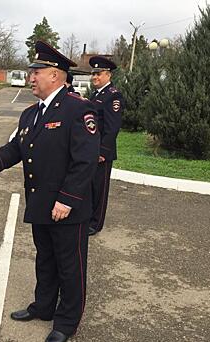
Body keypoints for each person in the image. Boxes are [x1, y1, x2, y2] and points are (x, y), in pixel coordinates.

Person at [0, 41, 99, 342]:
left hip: (66, 207)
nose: (31, 77)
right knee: (45, 259)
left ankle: (67, 321)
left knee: (70, 265)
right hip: (40, 203)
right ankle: (43, 306)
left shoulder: (78, 109)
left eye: (37, 71)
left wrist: (68, 200)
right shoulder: (31, 113)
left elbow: (85, 160)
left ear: (56, 76)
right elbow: (17, 148)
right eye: (32, 71)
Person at [87, 56, 123, 236]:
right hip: (91, 149)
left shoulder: (113, 96)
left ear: (108, 75)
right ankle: (88, 217)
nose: (94, 77)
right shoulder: (97, 94)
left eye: (98, 73)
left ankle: (95, 223)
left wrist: (103, 151)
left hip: (101, 152)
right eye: (93, 73)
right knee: (90, 186)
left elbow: (112, 127)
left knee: (99, 189)